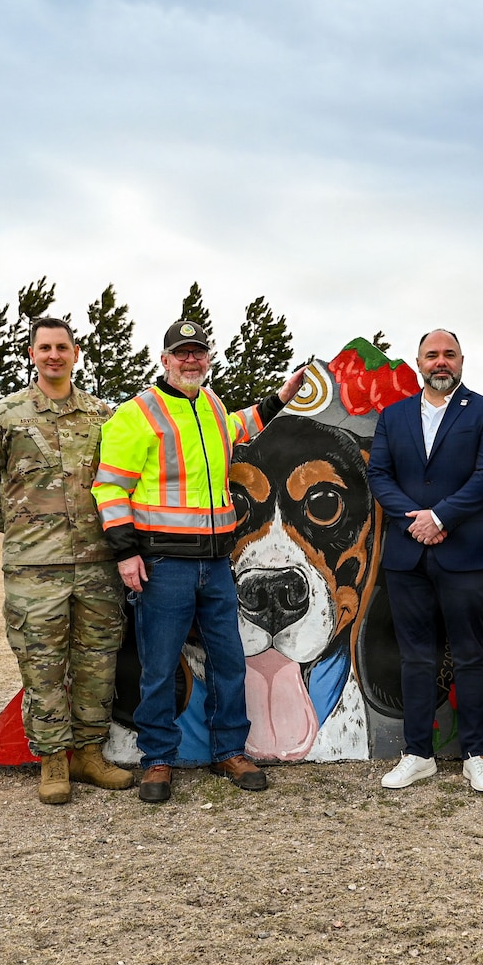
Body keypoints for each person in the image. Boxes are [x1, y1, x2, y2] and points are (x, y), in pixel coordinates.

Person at [92, 319, 306, 803]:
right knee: (160, 667)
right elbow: (109, 486)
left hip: (216, 564)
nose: (191, 360)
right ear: (164, 360)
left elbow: (235, 430)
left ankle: (229, 750)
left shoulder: (210, 404)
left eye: (199, 352)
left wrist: (279, 398)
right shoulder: (137, 413)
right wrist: (126, 553)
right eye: (181, 353)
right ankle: (158, 759)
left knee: (230, 661)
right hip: (164, 564)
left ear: (207, 360)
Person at [0, 316, 133, 806]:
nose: (54, 355)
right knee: (41, 665)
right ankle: (53, 759)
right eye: (45, 348)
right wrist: (17, 527)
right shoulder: (5, 415)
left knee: (97, 663)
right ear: (33, 354)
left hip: (97, 560)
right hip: (33, 566)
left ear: (76, 353)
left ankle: (88, 752)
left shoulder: (105, 417)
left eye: (62, 347)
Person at [366, 329, 483, 793]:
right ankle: (417, 755)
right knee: (415, 657)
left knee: (469, 654)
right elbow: (379, 474)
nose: (441, 362)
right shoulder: (395, 416)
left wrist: (441, 515)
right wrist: (414, 519)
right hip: (408, 552)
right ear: (419, 363)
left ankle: (476, 755)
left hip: (464, 551)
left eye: (449, 354)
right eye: (432, 355)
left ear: (462, 360)